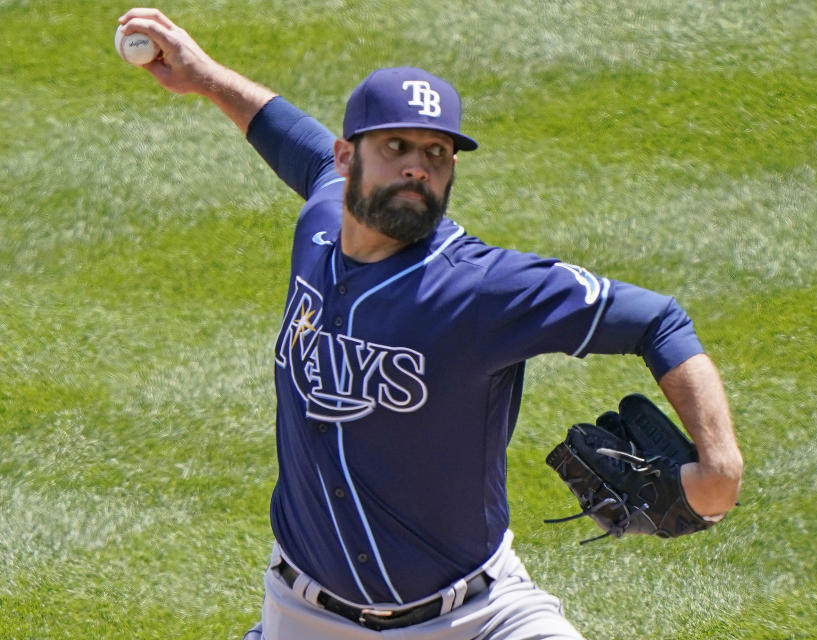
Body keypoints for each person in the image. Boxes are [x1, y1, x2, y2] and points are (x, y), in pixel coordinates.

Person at [117, 8, 743, 639]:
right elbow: (286, 135)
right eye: (395, 147)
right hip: (304, 616)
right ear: (346, 159)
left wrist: (719, 474)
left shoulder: (483, 287)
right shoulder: (322, 219)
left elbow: (658, 320)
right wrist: (204, 76)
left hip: (476, 616)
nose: (418, 166)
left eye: (437, 153)